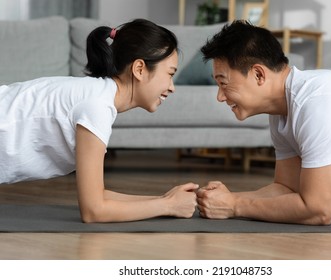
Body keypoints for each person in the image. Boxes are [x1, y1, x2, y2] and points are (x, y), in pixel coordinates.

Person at [0, 19, 198, 223]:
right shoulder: (96, 107)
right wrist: (168, 205)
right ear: (139, 69)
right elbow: (93, 211)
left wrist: (165, 200)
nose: (172, 87)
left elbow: (97, 195)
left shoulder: (97, 96)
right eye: (170, 74)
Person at [196, 20, 331, 225]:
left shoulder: (318, 102)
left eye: (224, 83)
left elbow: (319, 210)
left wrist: (235, 205)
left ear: (258, 74)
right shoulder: (285, 110)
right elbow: (287, 188)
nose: (220, 96)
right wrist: (226, 199)